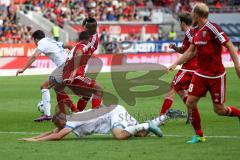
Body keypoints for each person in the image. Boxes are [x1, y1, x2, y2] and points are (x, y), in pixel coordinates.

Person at [169, 3, 240, 144]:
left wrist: (237, 66)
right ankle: (199, 135)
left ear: (197, 15)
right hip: (200, 74)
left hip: (216, 75)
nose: (191, 16)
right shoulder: (196, 31)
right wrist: (176, 63)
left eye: (192, 14)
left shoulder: (213, 28)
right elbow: (190, 52)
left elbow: (230, 46)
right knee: (190, 102)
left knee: (219, 110)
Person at [16, 30, 77, 122]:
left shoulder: (42, 43)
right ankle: (74, 111)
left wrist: (23, 69)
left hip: (64, 66)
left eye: (34, 41)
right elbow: (69, 46)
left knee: (44, 86)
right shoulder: (50, 40)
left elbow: (34, 56)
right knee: (58, 89)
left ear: (36, 39)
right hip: (70, 65)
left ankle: (47, 115)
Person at [19, 105, 163, 141]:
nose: (58, 128)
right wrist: (32, 138)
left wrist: (36, 142)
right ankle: (162, 118)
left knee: (119, 136)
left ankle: (146, 125)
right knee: (141, 135)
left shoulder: (72, 121)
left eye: (58, 125)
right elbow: (52, 133)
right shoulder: (68, 120)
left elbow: (57, 136)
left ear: (62, 121)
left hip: (113, 112)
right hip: (112, 111)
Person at [159, 13, 201, 128]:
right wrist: (175, 48)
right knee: (181, 91)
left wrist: (177, 63)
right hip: (195, 68)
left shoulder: (189, 33)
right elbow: (185, 50)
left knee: (171, 89)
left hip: (189, 68)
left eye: (179, 22)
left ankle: (161, 118)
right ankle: (191, 115)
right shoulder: (189, 34)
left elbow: (196, 47)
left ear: (182, 23)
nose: (179, 25)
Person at [49, 31, 103, 113]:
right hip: (74, 75)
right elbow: (78, 54)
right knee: (99, 89)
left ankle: (78, 114)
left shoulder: (76, 46)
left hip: (68, 75)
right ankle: (96, 117)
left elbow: (93, 46)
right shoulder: (82, 46)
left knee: (87, 95)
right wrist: (73, 73)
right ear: (88, 40)